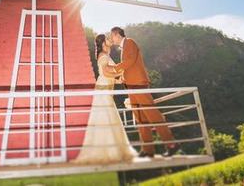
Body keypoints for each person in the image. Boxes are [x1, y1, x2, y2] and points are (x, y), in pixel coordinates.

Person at [110, 26, 180, 158]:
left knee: (153, 114)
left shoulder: (130, 42)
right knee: (140, 118)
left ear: (117, 34)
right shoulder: (123, 48)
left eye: (111, 36)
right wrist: (121, 78)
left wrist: (114, 68)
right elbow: (129, 67)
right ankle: (148, 150)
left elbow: (130, 61)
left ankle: (172, 144)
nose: (111, 39)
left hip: (139, 85)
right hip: (131, 86)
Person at [73, 34, 137, 164]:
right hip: (103, 90)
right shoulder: (103, 56)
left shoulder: (105, 55)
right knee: (105, 117)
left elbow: (107, 75)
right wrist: (122, 71)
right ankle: (107, 151)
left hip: (106, 88)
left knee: (107, 117)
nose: (110, 40)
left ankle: (110, 149)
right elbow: (107, 73)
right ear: (103, 43)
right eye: (107, 39)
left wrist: (119, 80)